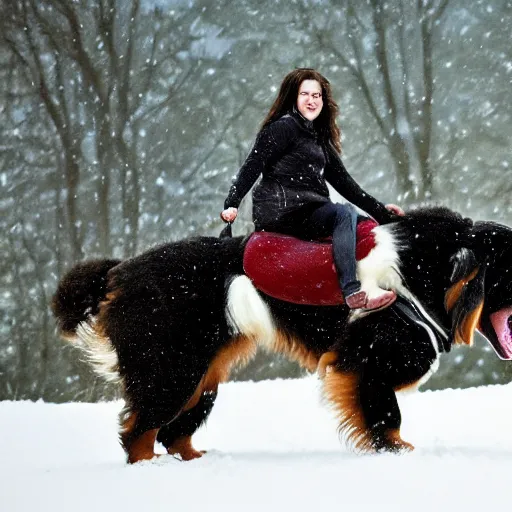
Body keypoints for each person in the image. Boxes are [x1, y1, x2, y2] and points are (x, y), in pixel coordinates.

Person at [220, 68, 404, 310]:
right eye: (304, 94)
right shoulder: (282, 128)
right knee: (343, 214)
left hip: (308, 210)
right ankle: (351, 289)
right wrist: (232, 202)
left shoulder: (318, 139)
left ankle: (368, 286)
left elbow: (347, 185)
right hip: (282, 212)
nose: (311, 100)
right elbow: (253, 165)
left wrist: (383, 215)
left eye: (317, 95)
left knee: (360, 223)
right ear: (293, 98)